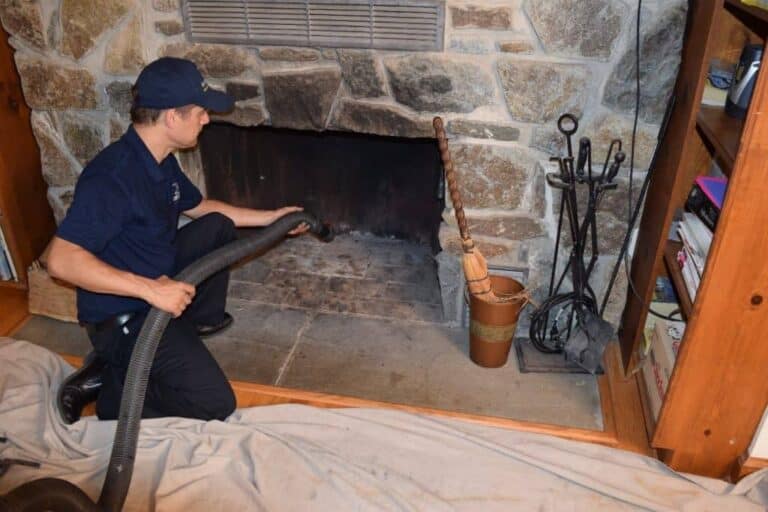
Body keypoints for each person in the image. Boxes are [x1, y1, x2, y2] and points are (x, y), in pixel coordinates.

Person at [45, 57, 307, 423]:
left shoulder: (160, 159)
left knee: (216, 226)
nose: (206, 119)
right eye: (200, 112)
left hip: (157, 278)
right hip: (123, 315)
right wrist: (152, 291)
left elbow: (201, 207)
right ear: (172, 118)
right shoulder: (113, 178)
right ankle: (113, 389)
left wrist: (272, 219)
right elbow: (60, 259)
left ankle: (186, 329)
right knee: (215, 403)